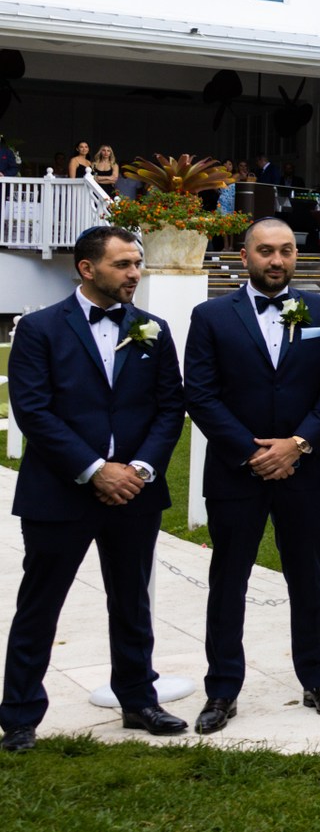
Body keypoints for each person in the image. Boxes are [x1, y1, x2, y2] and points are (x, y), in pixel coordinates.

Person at [0, 226, 189, 752]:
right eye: (123, 264)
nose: (135, 273)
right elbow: (33, 410)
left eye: (137, 263)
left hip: (134, 493)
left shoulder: (153, 329)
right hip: (59, 491)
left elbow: (169, 407)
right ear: (87, 268)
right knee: (40, 604)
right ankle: (19, 716)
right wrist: (94, 469)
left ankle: (139, 700)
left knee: (132, 602)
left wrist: (140, 469)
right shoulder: (39, 329)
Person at [183, 217, 320, 733]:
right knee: (228, 581)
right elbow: (201, 394)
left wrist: (297, 444)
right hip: (237, 471)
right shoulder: (211, 315)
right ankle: (222, 690)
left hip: (303, 468)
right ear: (245, 257)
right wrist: (252, 452)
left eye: (285, 250)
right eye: (265, 251)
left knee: (309, 578)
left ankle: (317, 679)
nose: (276, 260)